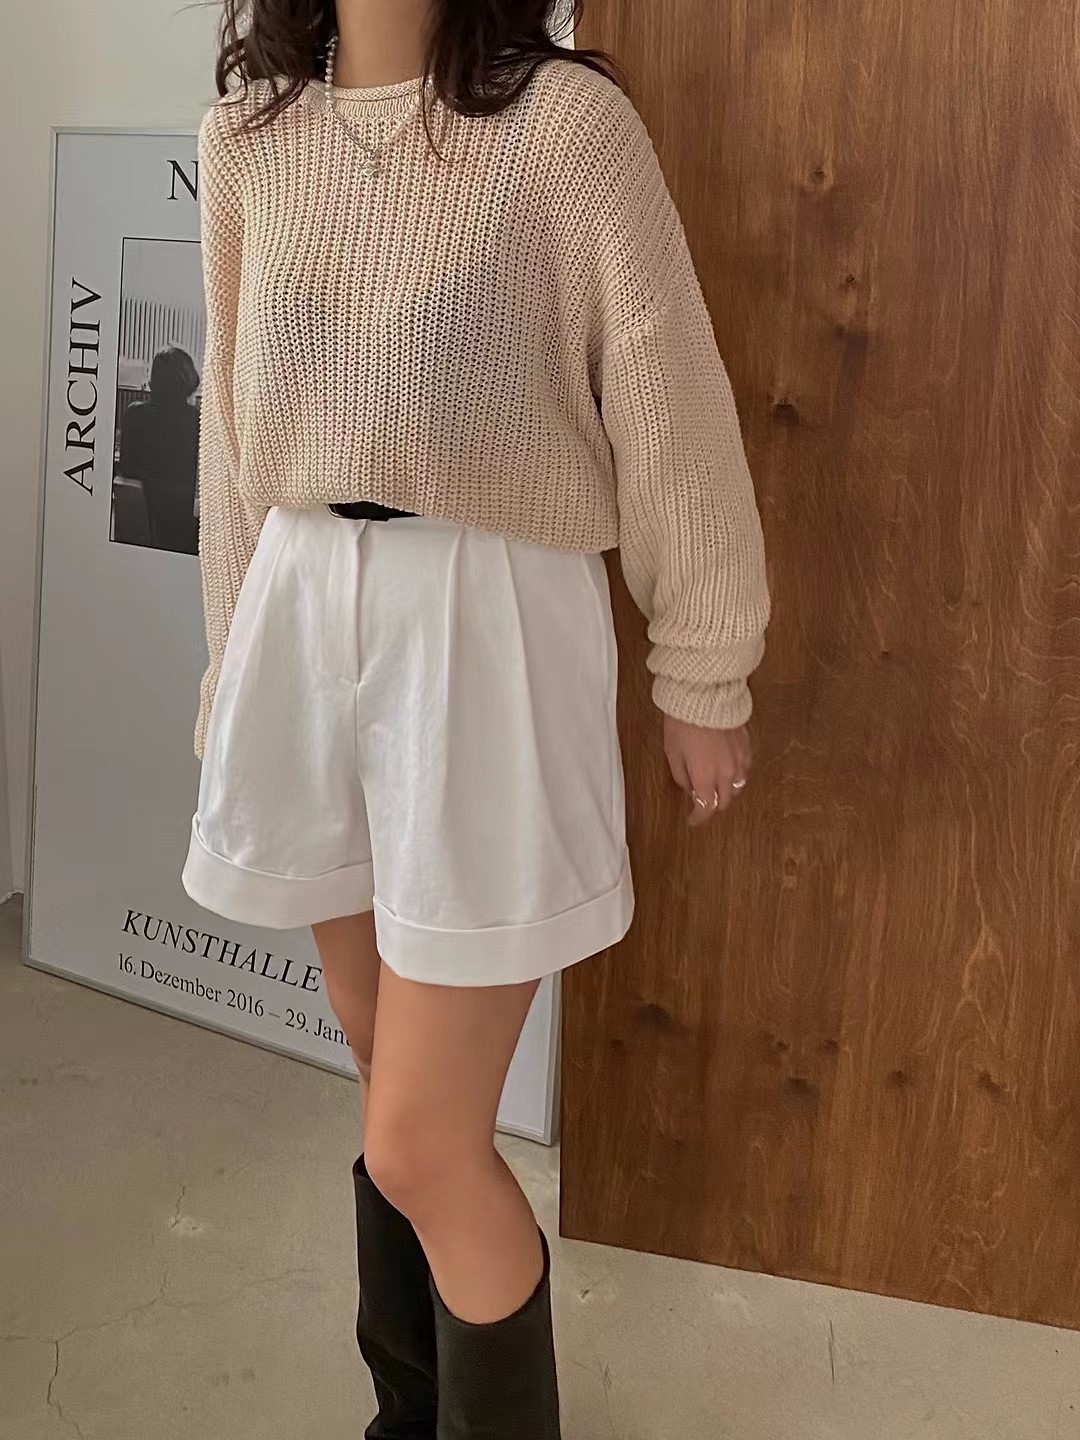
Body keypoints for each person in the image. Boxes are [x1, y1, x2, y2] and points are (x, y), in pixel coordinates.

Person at [181, 0, 771, 1434]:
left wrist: (704, 663)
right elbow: (231, 443)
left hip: (488, 624)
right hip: (302, 608)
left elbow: (667, 395)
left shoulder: (565, 127)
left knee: (423, 1141)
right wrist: (228, 667)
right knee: (378, 1066)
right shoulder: (249, 139)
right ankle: (409, 1415)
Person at [118, 345, 200, 554]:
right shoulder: (197, 420)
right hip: (183, 524)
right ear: (188, 381)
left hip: (140, 521)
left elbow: (127, 467)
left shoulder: (134, 414)